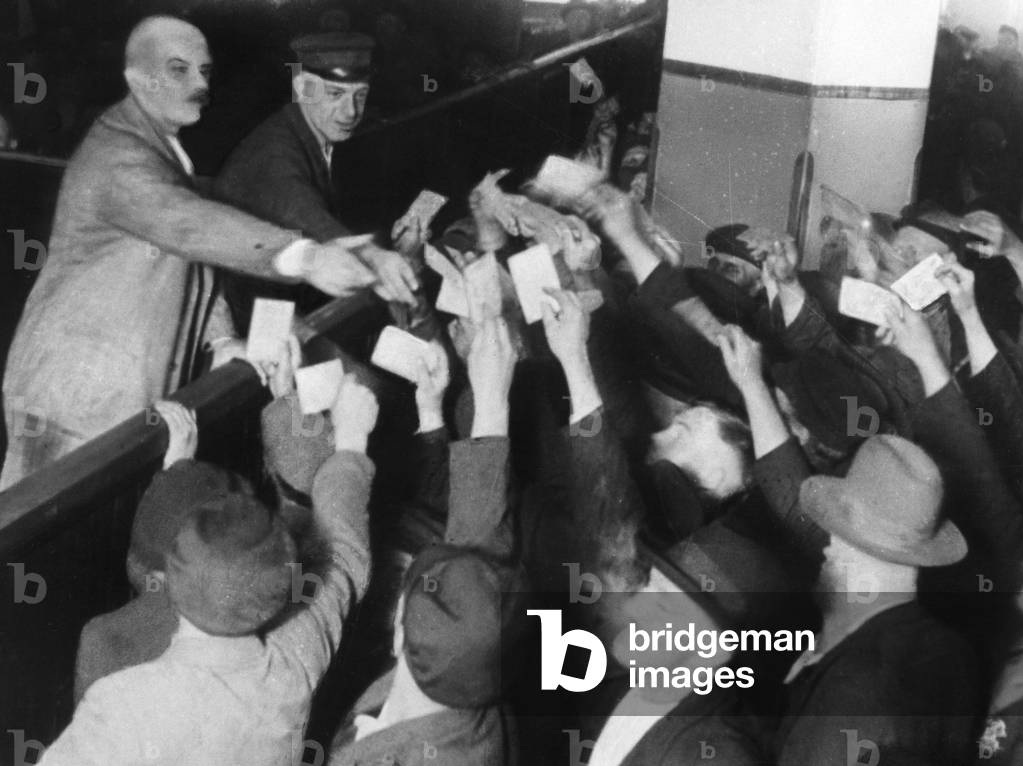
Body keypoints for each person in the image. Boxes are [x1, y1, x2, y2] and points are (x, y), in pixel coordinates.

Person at [0, 16, 392, 489]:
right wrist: (305, 257)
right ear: (137, 78)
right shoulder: (117, 156)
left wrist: (223, 340)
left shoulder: (161, 148)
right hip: (68, 406)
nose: (199, 84)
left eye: (204, 71)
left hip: (120, 402)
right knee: (37, 547)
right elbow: (187, 224)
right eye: (179, 70)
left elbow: (191, 261)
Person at [39, 373, 380, 765]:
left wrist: (176, 472)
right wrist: (352, 443)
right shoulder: (293, 666)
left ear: (166, 578)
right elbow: (343, 558)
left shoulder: (120, 705)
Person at [328, 318, 524, 765]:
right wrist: (472, 403)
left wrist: (350, 444)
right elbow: (484, 551)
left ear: (397, 627)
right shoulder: (477, 684)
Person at [214, 32, 421, 332]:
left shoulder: (309, 132)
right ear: (302, 88)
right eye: (335, 94)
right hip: (253, 323)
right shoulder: (273, 153)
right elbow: (300, 211)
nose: (350, 112)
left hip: (283, 300)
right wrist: (371, 256)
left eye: (359, 95)